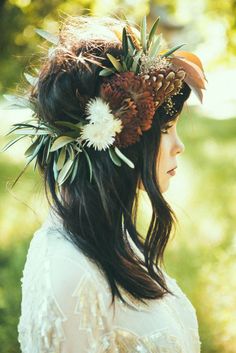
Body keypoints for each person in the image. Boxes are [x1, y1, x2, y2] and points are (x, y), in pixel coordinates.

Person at [6, 14, 206, 353]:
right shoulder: (69, 277)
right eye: (163, 129)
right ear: (118, 138)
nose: (178, 145)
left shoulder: (111, 231)